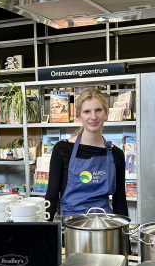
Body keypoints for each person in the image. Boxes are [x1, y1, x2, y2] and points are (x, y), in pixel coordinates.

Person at [45, 88, 128, 220]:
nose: (93, 117)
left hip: (105, 226)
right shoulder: (62, 149)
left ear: (106, 114)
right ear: (79, 116)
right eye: (87, 111)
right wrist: (46, 235)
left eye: (98, 110)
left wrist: (124, 236)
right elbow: (52, 196)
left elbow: (120, 201)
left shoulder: (116, 154)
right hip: (72, 227)